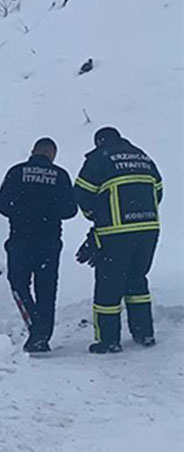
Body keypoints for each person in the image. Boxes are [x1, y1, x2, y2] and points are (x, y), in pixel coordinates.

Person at [74, 127, 163, 354]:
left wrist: (97, 217)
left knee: (109, 284)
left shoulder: (99, 159)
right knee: (137, 280)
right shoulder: (142, 156)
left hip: (116, 232)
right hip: (149, 229)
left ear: (100, 142)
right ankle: (144, 332)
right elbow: (158, 190)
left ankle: (109, 340)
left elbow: (82, 195)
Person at [0, 137, 78, 353]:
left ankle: (36, 329)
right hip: (49, 242)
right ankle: (42, 336)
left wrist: (20, 211)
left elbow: (1, 203)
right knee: (47, 290)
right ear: (52, 154)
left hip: (20, 239)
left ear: (33, 151)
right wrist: (49, 211)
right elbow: (70, 209)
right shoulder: (60, 175)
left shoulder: (16, 172)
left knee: (18, 284)